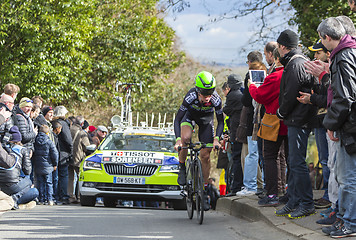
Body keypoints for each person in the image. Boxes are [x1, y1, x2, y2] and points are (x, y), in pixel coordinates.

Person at [318, 16, 356, 237]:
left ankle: (350, 222)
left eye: (321, 39)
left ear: (327, 37)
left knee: (347, 176)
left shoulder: (343, 56)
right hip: (350, 123)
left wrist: (331, 123)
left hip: (348, 125)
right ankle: (345, 218)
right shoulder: (350, 51)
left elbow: (344, 97)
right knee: (346, 175)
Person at [275, 29, 317, 219]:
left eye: (278, 47)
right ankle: (293, 200)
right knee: (293, 161)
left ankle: (306, 202)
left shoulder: (294, 65)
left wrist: (281, 112)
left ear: (283, 46)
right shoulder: (303, 61)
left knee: (297, 162)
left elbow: (289, 94)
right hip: (301, 118)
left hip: (297, 119)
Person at [174, 71, 222, 211]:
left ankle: (204, 190)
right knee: (186, 138)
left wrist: (217, 139)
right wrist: (178, 141)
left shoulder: (216, 99)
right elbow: (177, 119)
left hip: (206, 120)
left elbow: (220, 121)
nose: (208, 97)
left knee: (205, 155)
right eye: (204, 94)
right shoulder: (190, 97)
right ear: (197, 90)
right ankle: (182, 167)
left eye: (210, 93)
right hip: (189, 117)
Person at [248, 48, 288, 207]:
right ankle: (286, 191)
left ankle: (272, 193)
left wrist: (252, 86)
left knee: (270, 157)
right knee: (288, 159)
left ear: (276, 59)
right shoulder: (293, 74)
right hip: (291, 122)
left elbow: (260, 96)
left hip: (274, 121)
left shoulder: (276, 76)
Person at [298, 39, 331, 210]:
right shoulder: (317, 76)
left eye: (318, 53)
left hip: (329, 122)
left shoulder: (333, 73)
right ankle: (328, 194)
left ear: (328, 53)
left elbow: (330, 99)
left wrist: (312, 99)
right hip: (319, 122)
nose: (315, 56)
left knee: (328, 161)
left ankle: (329, 196)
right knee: (325, 160)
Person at [237, 53, 266, 197]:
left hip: (253, 119)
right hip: (268, 118)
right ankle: (268, 185)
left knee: (252, 154)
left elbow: (247, 100)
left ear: (249, 62)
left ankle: (250, 186)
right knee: (267, 154)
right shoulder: (267, 72)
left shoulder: (250, 75)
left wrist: (246, 91)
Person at [0, 126, 38, 209]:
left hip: (1, 185)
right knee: (31, 186)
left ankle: (11, 200)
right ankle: (14, 200)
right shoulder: (22, 150)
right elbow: (28, 170)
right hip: (13, 184)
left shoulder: (2, 148)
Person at [222, 74, 244, 196]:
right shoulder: (242, 94)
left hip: (236, 131)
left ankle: (236, 187)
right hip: (240, 129)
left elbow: (226, 110)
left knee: (236, 159)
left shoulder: (232, 96)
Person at [33, 125, 59, 206]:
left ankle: (41, 199)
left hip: (38, 165)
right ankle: (50, 199)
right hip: (48, 165)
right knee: (49, 183)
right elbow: (55, 154)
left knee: (40, 182)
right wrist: (55, 164)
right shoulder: (49, 142)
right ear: (47, 133)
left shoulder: (35, 141)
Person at [53, 106, 72, 204]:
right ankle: (63, 196)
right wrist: (71, 150)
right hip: (63, 153)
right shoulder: (64, 124)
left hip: (53, 152)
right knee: (63, 175)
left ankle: (55, 195)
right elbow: (68, 140)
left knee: (55, 176)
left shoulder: (52, 123)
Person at [69, 116, 90, 203]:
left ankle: (70, 196)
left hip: (68, 157)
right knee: (80, 177)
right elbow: (87, 146)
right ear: (82, 124)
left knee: (70, 178)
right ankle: (79, 196)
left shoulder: (68, 129)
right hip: (78, 158)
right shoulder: (82, 133)